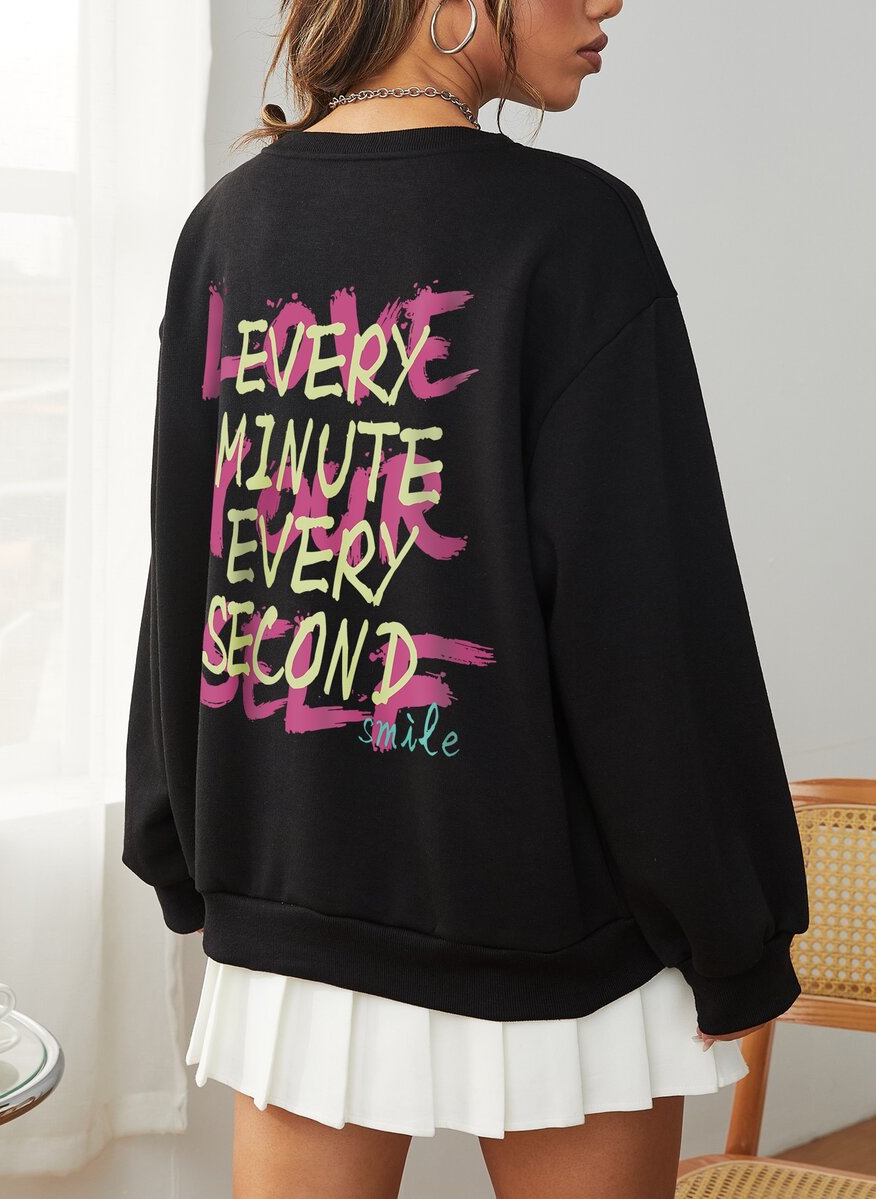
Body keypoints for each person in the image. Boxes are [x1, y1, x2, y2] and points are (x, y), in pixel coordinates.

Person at [122, 0, 811, 1195]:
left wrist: (175, 839)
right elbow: (647, 622)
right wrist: (729, 928)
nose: (609, 2)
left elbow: (190, 562)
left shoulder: (229, 224)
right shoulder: (575, 229)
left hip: (294, 913)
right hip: (555, 936)